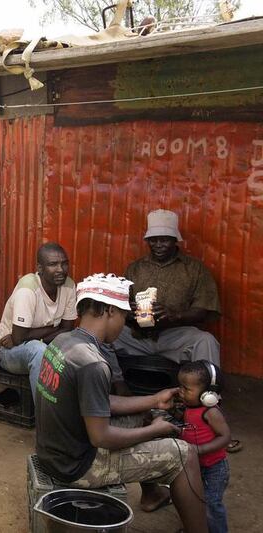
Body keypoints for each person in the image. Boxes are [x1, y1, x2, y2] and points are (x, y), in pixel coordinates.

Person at [35, 273, 208, 533]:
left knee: (144, 415)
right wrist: (156, 431)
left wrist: (154, 400)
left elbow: (98, 402)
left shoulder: (64, 341)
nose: (124, 324)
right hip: (79, 467)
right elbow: (101, 437)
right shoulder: (93, 363)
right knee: (185, 454)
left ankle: (152, 495)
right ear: (108, 311)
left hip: (54, 452)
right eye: (123, 316)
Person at [112, 209, 240, 451]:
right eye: (154, 239)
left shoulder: (194, 269)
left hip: (174, 336)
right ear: (148, 240)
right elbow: (119, 306)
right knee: (104, 336)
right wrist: (130, 313)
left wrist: (174, 315)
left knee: (205, 340)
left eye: (165, 239)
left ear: (175, 240)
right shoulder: (134, 269)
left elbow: (207, 310)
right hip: (137, 336)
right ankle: (118, 392)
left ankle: (210, 416)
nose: (159, 244)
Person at [0, 243, 76, 399]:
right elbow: (19, 339)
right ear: (40, 268)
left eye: (64, 263)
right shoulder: (28, 289)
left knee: (79, 345)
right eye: (53, 264)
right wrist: (56, 329)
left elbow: (68, 329)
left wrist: (35, 334)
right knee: (38, 350)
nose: (60, 269)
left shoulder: (68, 285)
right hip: (9, 351)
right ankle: (45, 417)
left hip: (42, 344)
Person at [177, 361, 231, 533]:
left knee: (211, 504)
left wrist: (198, 449)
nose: (181, 392)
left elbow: (225, 437)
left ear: (207, 394)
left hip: (214, 468)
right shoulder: (189, 406)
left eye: (186, 389)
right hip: (195, 465)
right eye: (180, 387)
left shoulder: (211, 412)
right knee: (193, 499)